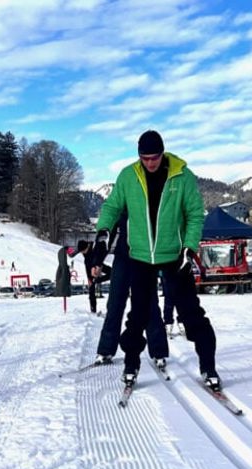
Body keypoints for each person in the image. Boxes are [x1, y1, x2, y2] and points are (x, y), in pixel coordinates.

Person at [91, 130, 219, 390]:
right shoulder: (128, 176)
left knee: (191, 315)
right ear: (139, 157)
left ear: (163, 153)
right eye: (145, 158)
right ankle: (131, 366)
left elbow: (195, 215)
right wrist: (104, 229)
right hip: (139, 257)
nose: (150, 163)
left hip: (175, 257)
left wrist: (189, 247)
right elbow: (113, 206)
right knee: (137, 317)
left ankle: (209, 367)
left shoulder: (182, 176)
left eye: (155, 157)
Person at [81, 211, 170, 367]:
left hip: (145, 259)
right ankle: (105, 350)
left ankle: (159, 352)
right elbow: (106, 234)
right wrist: (97, 261)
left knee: (150, 306)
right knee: (115, 305)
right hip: (123, 259)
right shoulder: (122, 201)